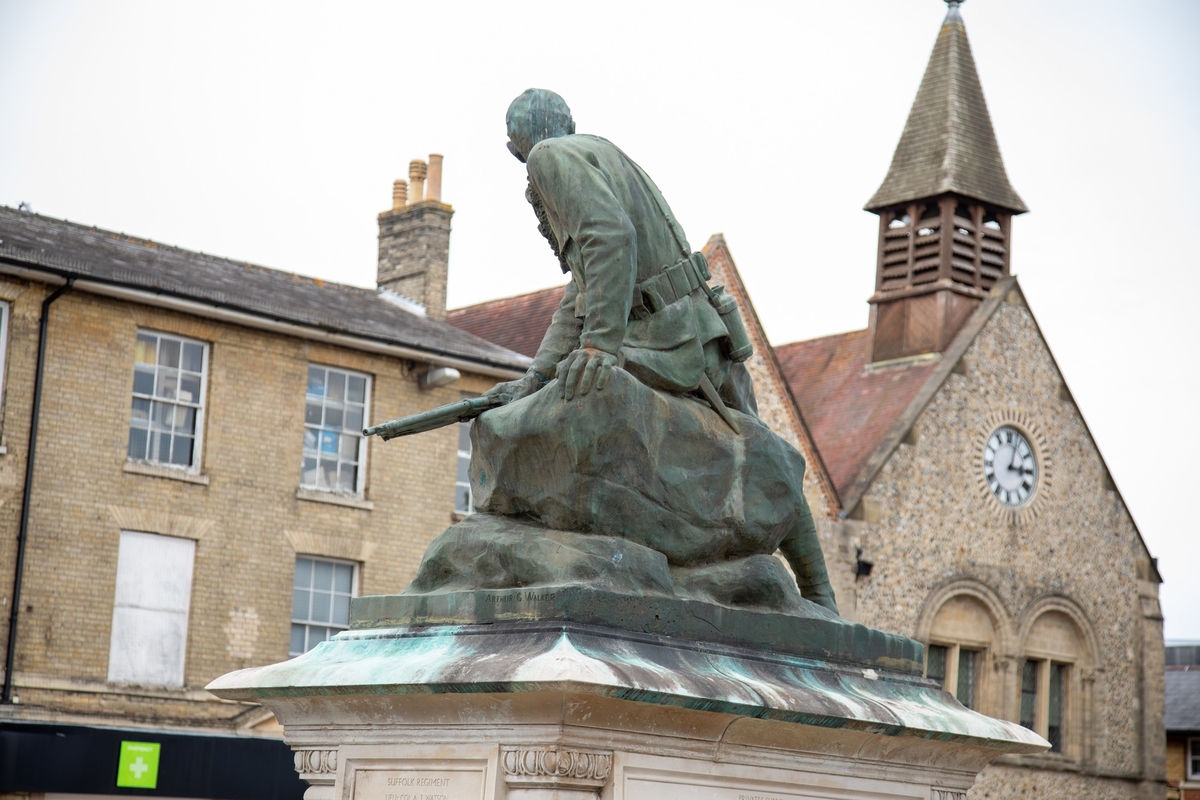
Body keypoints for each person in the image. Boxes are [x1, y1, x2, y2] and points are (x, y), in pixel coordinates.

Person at [483, 88, 837, 613]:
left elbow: (609, 237)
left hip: (669, 333)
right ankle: (819, 594)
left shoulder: (550, 158)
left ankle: (813, 593)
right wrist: (536, 375)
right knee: (757, 451)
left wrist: (601, 345)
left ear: (516, 146)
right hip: (694, 324)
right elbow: (581, 290)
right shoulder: (599, 152)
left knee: (756, 453)